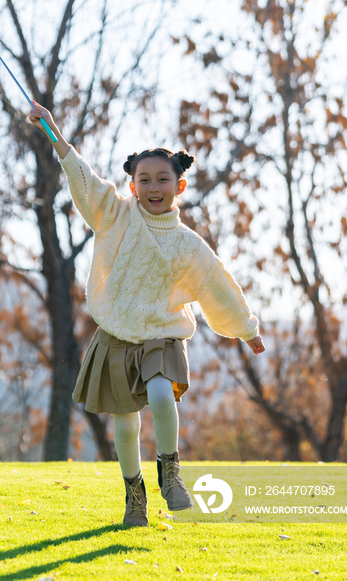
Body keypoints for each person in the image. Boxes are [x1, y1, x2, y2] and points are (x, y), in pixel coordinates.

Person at [27, 101, 266, 528]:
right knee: (125, 425)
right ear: (133, 187)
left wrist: (246, 329)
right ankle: (133, 495)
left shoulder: (189, 245)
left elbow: (218, 287)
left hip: (162, 336)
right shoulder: (115, 214)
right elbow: (84, 180)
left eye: (163, 179)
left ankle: (170, 473)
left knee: (160, 395)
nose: (154, 186)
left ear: (180, 186)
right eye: (144, 180)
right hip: (118, 335)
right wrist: (54, 132)